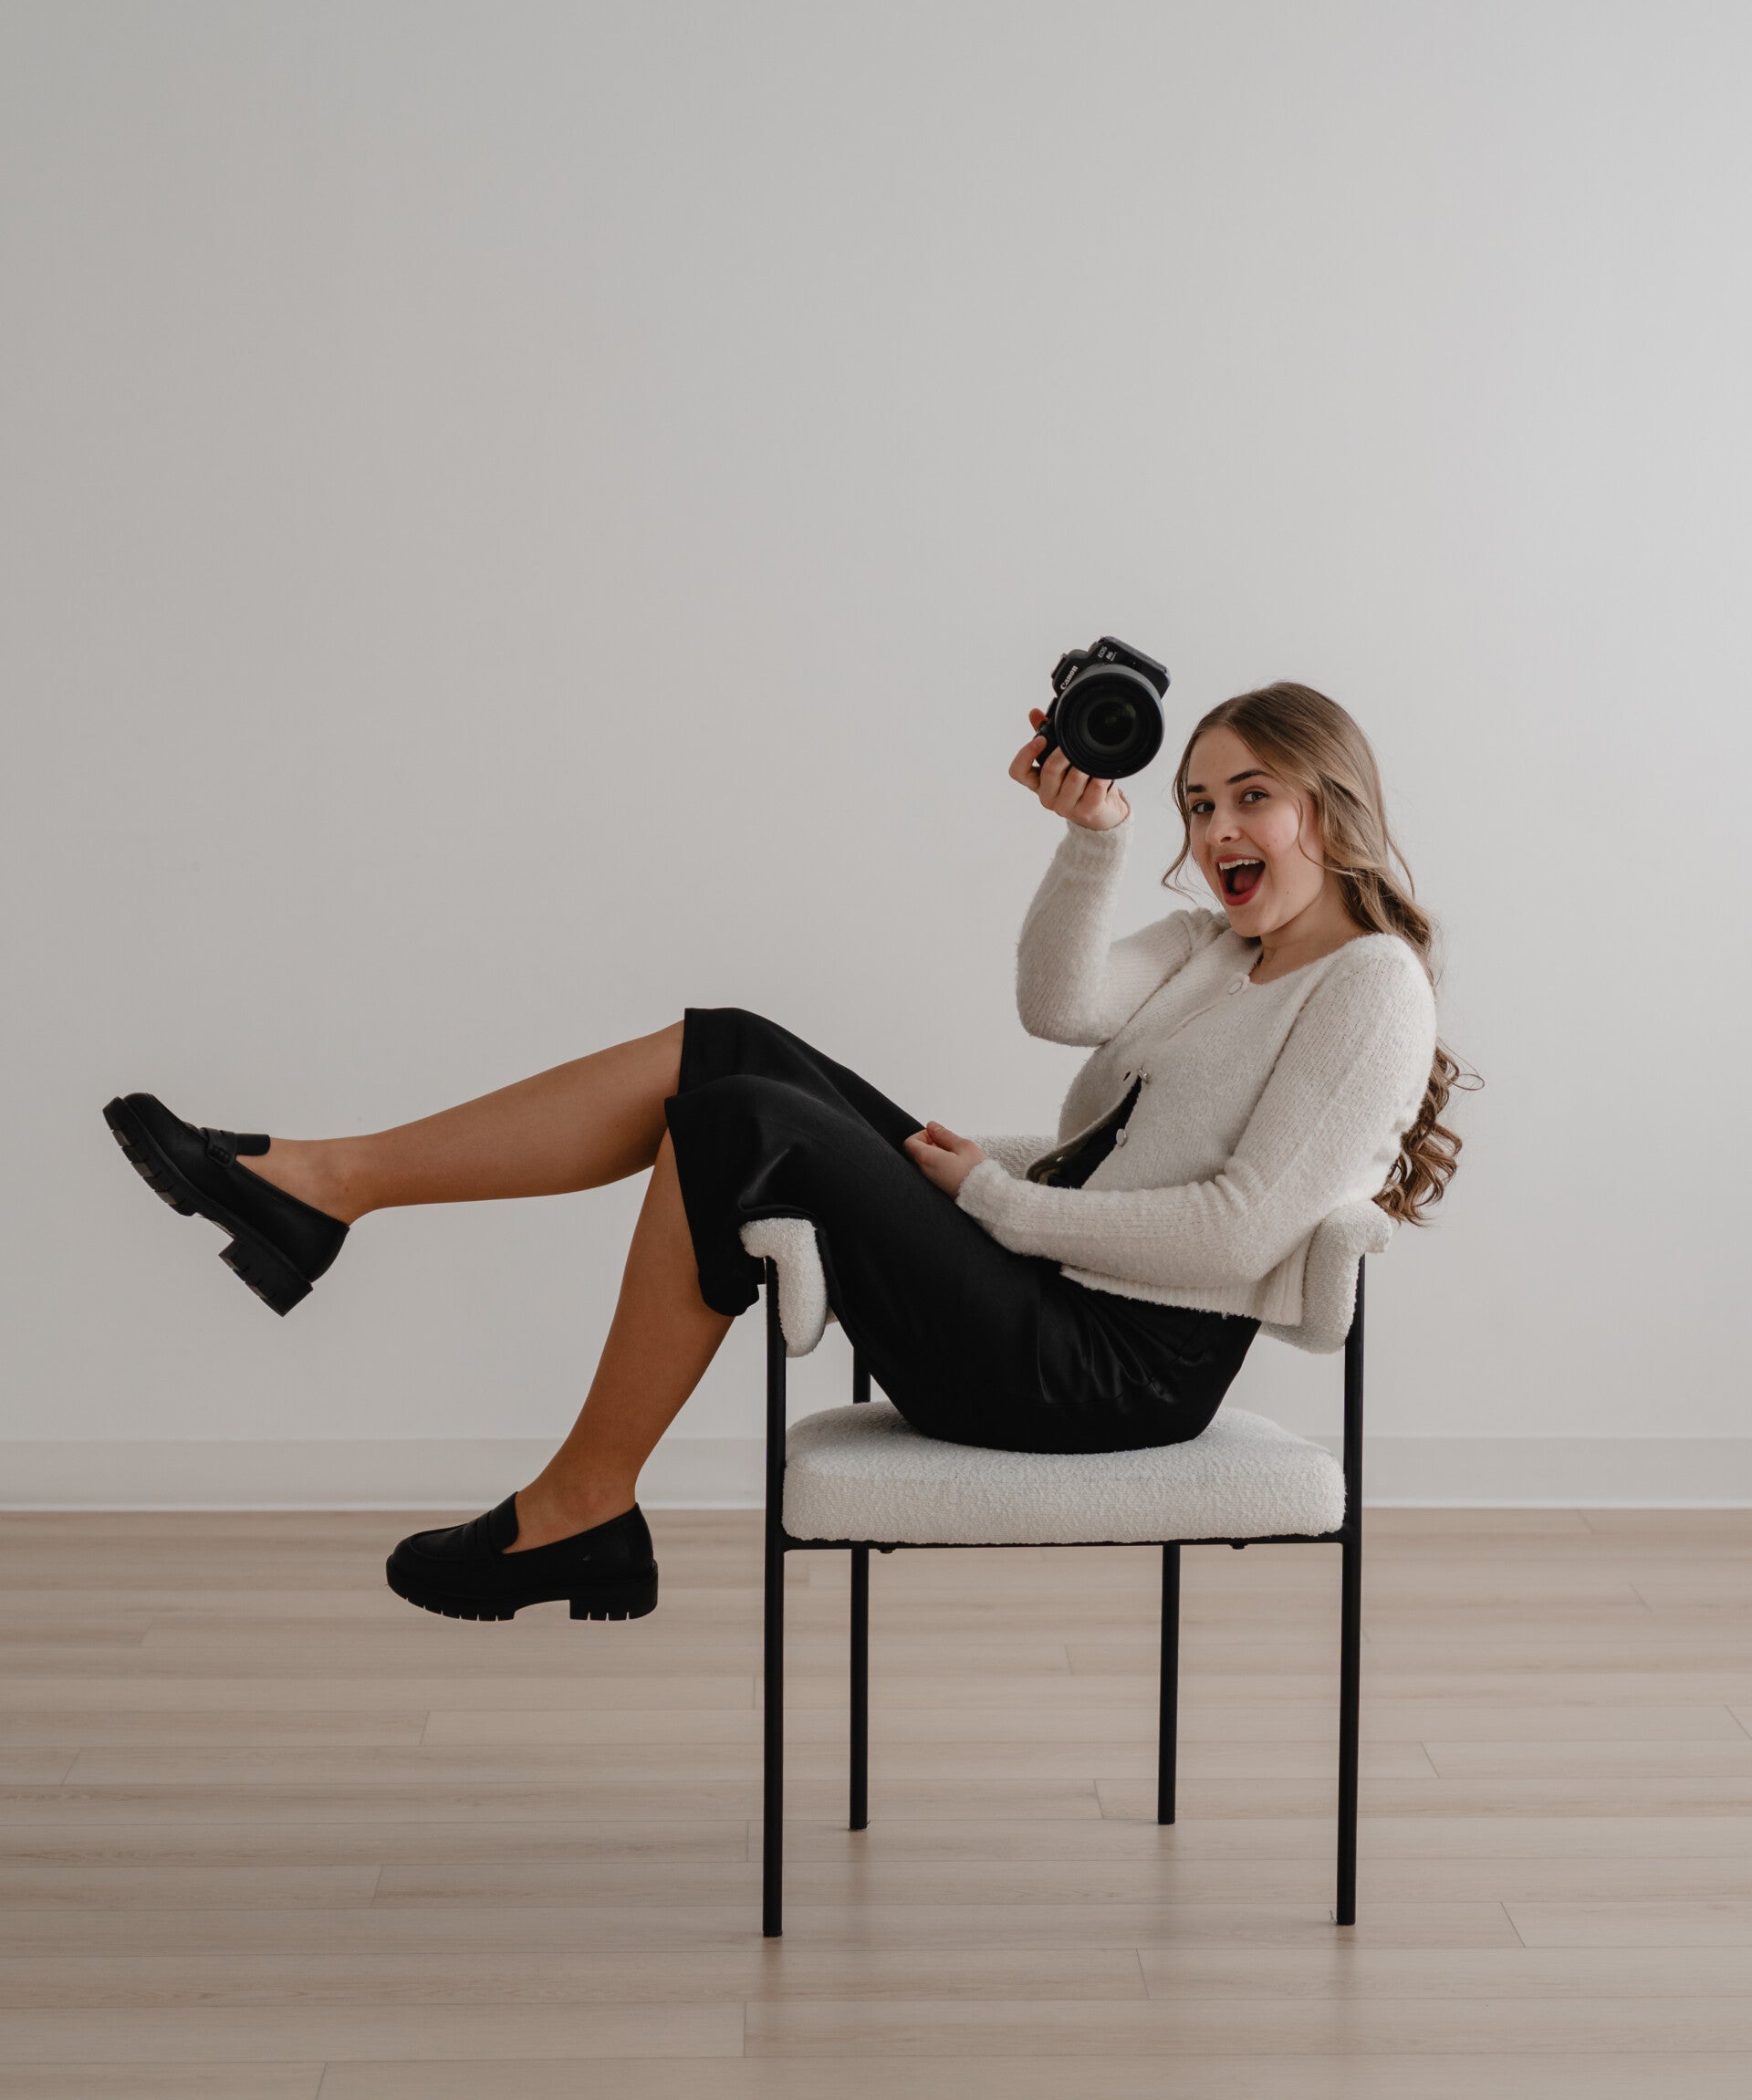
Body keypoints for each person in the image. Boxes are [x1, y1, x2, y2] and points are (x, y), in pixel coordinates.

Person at [103, 680, 1463, 1626]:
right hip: (1038, 1298)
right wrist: (1090, 838)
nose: (1216, 832)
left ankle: (583, 1501)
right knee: (734, 1048)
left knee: (742, 1120)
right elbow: (1059, 1006)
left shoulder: (1370, 986)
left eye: (1252, 799)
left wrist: (996, 1203)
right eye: (1198, 803)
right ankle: (333, 1185)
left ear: (1331, 808)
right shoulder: (1219, 949)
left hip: (1109, 1374)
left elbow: (1238, 1230)